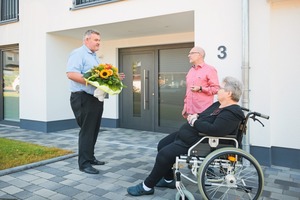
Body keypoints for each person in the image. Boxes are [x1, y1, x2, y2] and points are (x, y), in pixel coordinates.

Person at [127, 76, 245, 196]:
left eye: (220, 88)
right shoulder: (218, 105)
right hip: (191, 135)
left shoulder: (232, 113)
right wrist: (196, 116)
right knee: (162, 144)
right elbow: (204, 115)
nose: (217, 90)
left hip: (200, 141)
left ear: (229, 93)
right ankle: (168, 180)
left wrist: (194, 122)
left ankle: (147, 187)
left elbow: (214, 130)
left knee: (164, 155)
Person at [66, 29, 124, 174]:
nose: (99, 42)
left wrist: (113, 77)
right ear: (86, 40)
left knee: (94, 129)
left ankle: (90, 157)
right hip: (82, 98)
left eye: (99, 40)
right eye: (96, 40)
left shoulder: (94, 57)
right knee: (87, 131)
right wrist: (93, 82)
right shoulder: (78, 53)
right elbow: (71, 74)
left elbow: (99, 76)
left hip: (95, 98)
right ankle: (84, 164)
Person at [182, 46, 219, 118]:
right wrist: (185, 106)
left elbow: (216, 89)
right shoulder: (191, 71)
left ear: (200, 55)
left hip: (203, 112)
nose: (188, 55)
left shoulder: (210, 69)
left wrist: (200, 88)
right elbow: (188, 92)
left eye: (191, 53)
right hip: (190, 112)